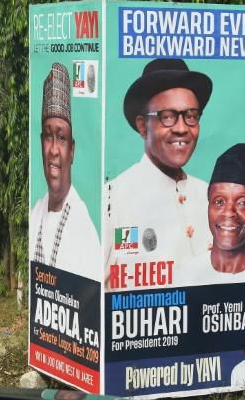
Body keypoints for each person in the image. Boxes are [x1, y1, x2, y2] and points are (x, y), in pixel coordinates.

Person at [105, 59, 214, 281]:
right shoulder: (114, 199)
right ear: (142, 126)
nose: (182, 128)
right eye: (167, 117)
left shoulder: (211, 196)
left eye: (191, 116)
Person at [29, 62, 100, 280]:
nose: (53, 150)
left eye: (61, 138)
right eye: (48, 136)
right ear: (41, 142)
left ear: (72, 150)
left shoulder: (81, 223)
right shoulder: (36, 212)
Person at [180, 143, 245, 284]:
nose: (229, 213)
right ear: (208, 205)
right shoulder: (185, 276)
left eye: (243, 202)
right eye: (219, 201)